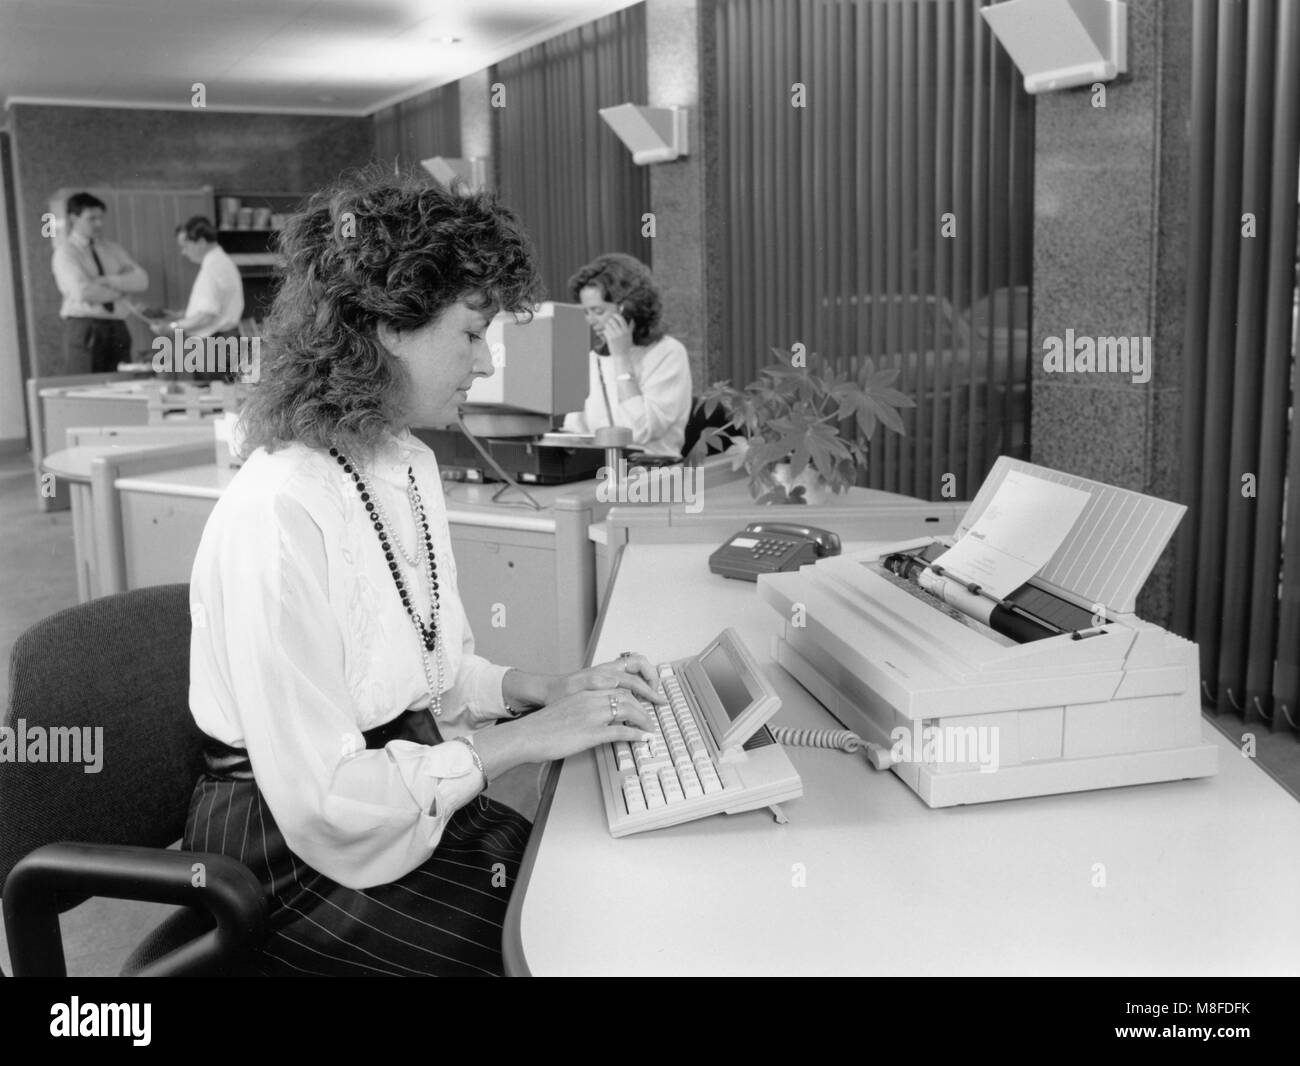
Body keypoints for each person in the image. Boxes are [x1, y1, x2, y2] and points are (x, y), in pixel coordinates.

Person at [184, 167, 663, 977]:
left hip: (401, 792)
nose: (486, 361)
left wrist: (538, 691)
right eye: (471, 334)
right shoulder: (279, 511)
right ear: (384, 327)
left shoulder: (402, 461)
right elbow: (326, 799)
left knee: (578, 885)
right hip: (286, 847)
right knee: (547, 946)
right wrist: (529, 743)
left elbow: (426, 673)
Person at [562, 253, 692, 458]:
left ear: (627, 309)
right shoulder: (593, 359)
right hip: (596, 473)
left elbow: (639, 431)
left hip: (654, 475)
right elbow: (574, 431)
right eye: (586, 312)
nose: (590, 321)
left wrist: (621, 358)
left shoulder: (668, 353)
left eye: (598, 311)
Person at [50, 192, 148, 373]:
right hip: (87, 327)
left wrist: (107, 281)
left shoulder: (112, 249)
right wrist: (121, 290)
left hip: (117, 327)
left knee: (122, 383)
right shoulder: (66, 252)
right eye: (91, 219)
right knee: (87, 383)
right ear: (74, 218)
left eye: (101, 218)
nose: (99, 224)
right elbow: (83, 292)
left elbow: (141, 280)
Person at [151, 217, 244, 380]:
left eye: (186, 246)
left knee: (214, 399)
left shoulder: (213, 267)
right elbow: (213, 310)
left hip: (215, 345)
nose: (184, 252)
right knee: (224, 397)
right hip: (224, 341)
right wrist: (180, 315)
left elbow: (206, 315)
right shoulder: (222, 262)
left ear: (201, 241)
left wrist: (172, 327)